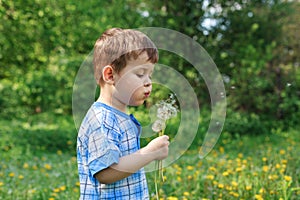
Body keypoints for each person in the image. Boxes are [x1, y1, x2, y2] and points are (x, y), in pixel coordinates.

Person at [76, 28, 170, 199]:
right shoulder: (102, 120)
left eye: (150, 75)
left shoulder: (120, 117)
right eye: (140, 74)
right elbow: (105, 173)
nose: (148, 82)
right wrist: (150, 152)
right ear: (110, 75)